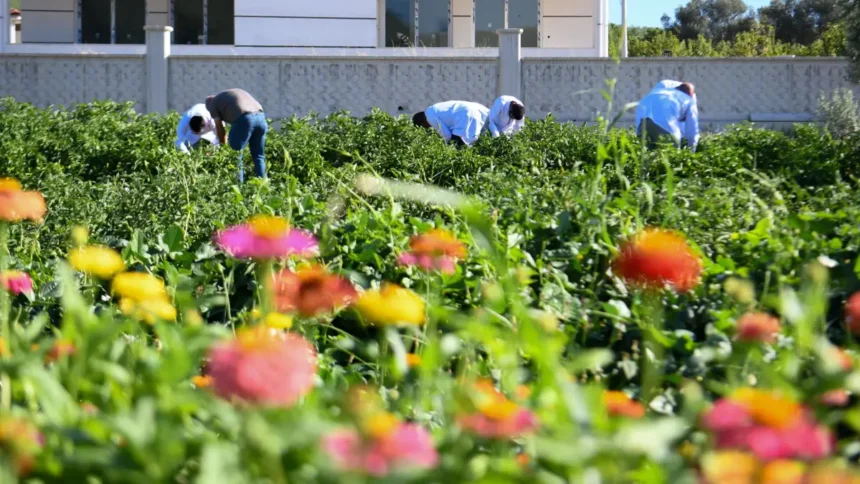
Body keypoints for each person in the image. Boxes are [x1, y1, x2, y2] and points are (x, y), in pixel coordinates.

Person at [206, 89, 268, 182]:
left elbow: (220, 129)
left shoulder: (212, 106)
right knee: (259, 156)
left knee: (236, 155)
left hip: (245, 118)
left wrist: (223, 147)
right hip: (261, 117)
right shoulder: (225, 98)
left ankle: (239, 186)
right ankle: (263, 184)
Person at [635, 82, 699, 151]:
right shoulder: (688, 100)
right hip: (665, 125)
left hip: (642, 124)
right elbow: (692, 131)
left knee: (645, 156)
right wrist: (691, 151)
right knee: (672, 156)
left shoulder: (660, 91)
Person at [412, 101, 490, 146]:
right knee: (484, 137)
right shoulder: (433, 109)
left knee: (458, 145)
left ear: (423, 124)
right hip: (477, 108)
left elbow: (447, 135)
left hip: (465, 115)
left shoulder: (429, 117)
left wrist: (446, 146)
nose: (429, 127)